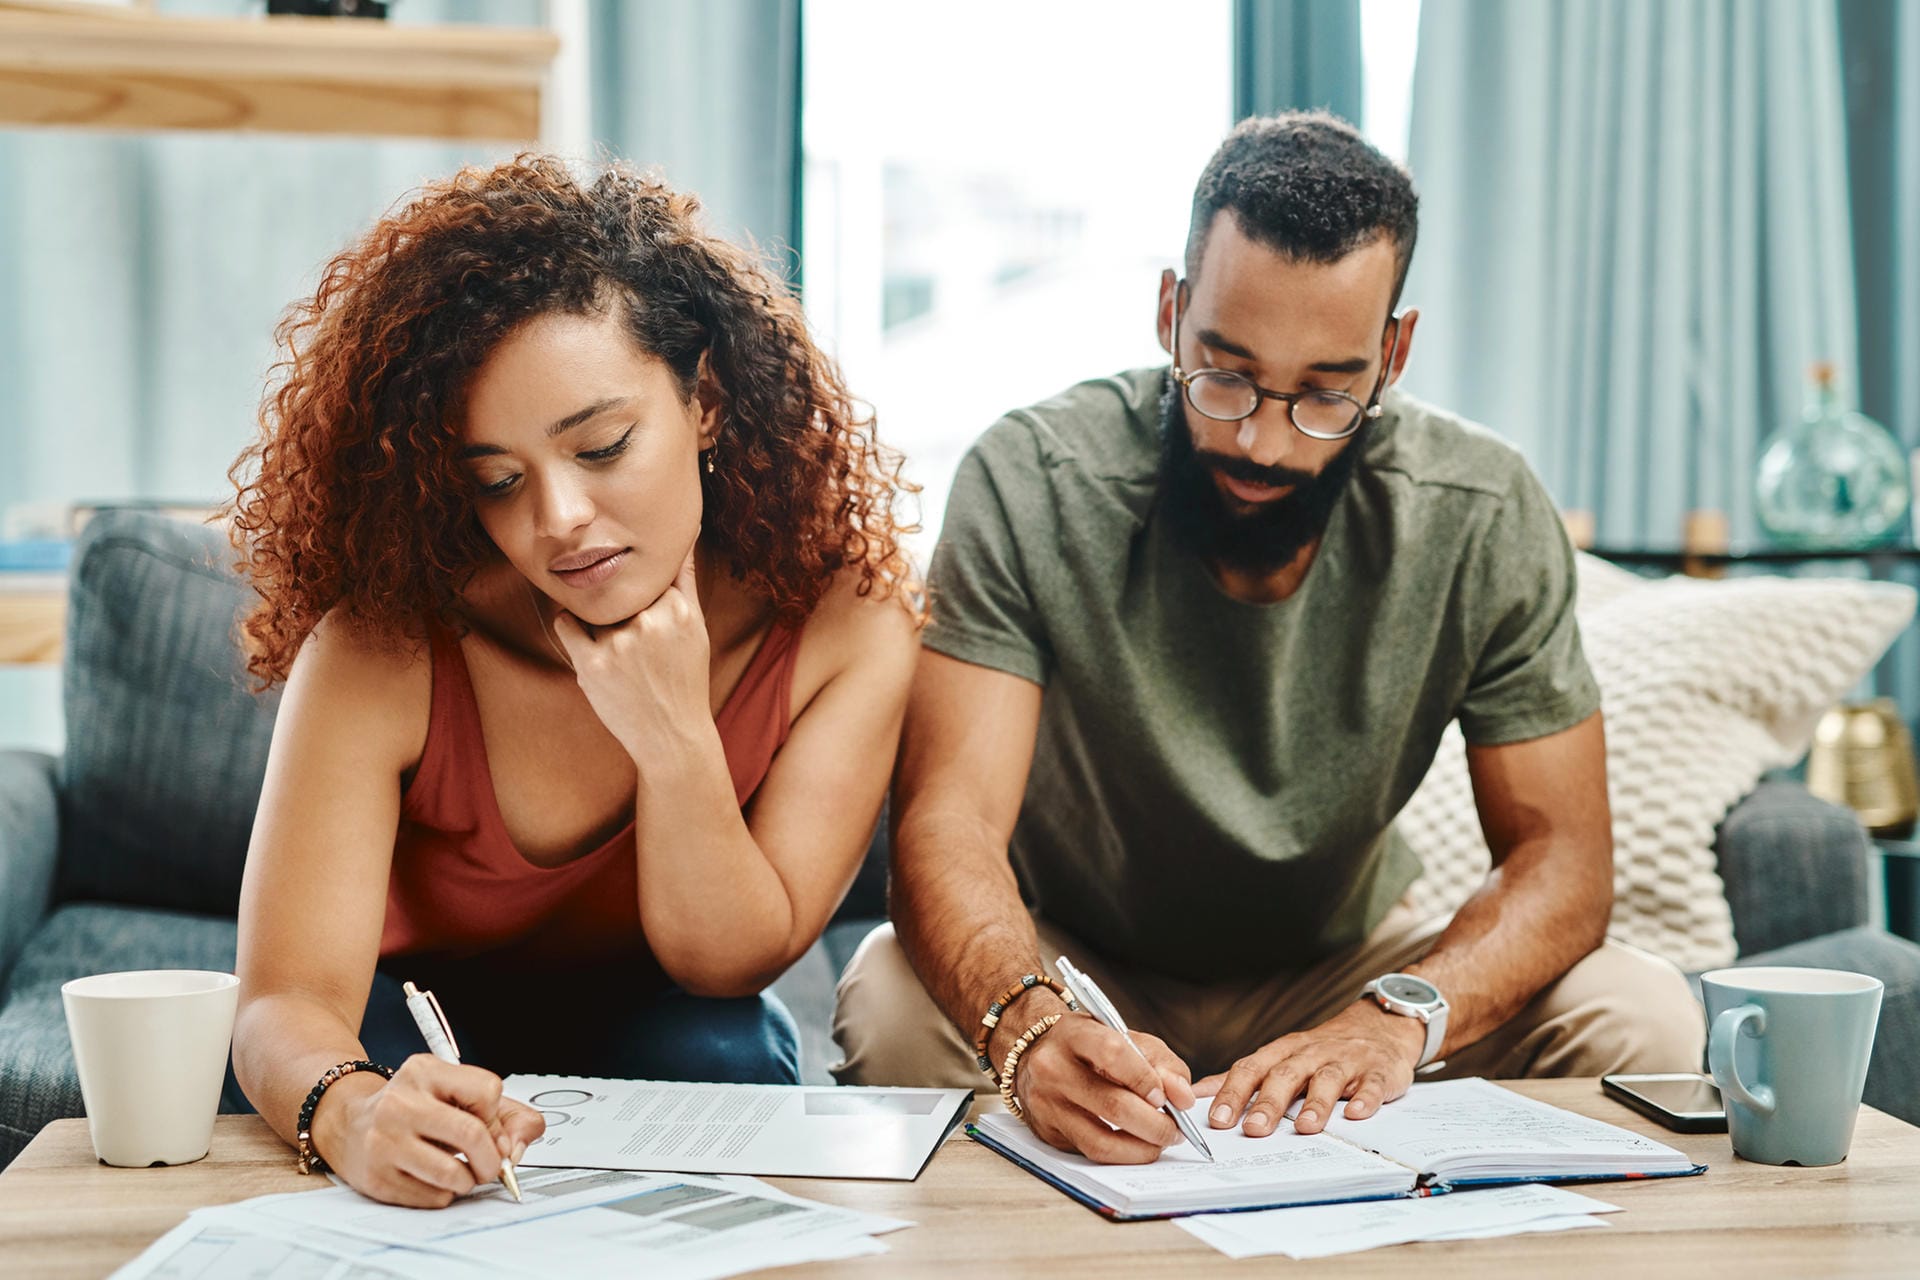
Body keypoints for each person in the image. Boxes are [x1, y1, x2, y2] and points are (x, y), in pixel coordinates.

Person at [833, 112, 1706, 1164]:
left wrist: (1394, 1018)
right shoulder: (1031, 480)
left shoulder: (1479, 509)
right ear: (1170, 311)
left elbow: (1563, 858)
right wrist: (1030, 1021)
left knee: (1645, 1014)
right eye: (1226, 373)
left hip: (1345, 966)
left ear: (1393, 354)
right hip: (1082, 962)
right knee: (886, 996)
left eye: (1325, 392)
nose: (1262, 438)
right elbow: (948, 822)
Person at [229, 156, 919, 1206]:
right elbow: (282, 999)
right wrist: (356, 1107)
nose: (555, 521)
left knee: (730, 1055)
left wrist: (675, 735)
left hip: (671, 1018)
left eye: (600, 446)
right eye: (497, 482)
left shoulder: (849, 621)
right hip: (405, 1024)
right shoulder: (385, 645)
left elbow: (725, 965)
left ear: (709, 402)